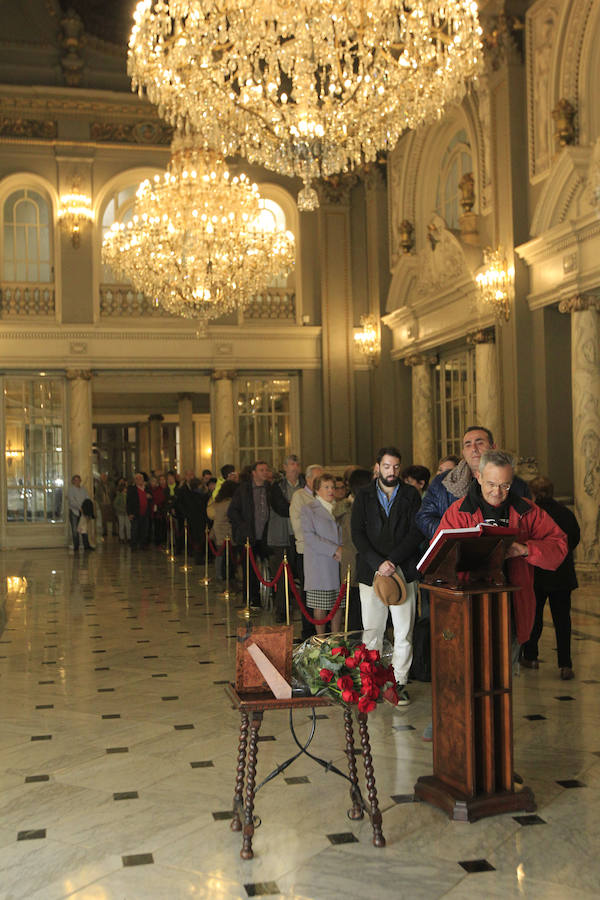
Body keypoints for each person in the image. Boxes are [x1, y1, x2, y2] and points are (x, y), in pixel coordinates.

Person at [433, 450, 568, 659]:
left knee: (505, 675)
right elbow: (438, 557)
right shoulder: (458, 512)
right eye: (491, 484)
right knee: (473, 674)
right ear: (478, 477)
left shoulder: (527, 510)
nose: (497, 492)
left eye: (505, 485)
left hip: (513, 606)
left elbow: (559, 545)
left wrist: (524, 549)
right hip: (470, 606)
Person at [351, 446, 423, 706]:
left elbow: (417, 532)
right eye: (386, 466)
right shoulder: (363, 496)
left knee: (404, 632)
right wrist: (378, 562)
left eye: (395, 467)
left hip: (403, 569)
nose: (391, 472)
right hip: (371, 571)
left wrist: (393, 561)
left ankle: (399, 683)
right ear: (377, 467)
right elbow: (357, 534)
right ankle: (371, 683)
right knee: (372, 632)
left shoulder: (411, 495)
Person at [416, 426, 531, 541]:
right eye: (468, 445)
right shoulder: (441, 482)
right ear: (463, 452)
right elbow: (424, 517)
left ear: (493, 447)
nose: (474, 449)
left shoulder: (518, 485)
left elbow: (528, 522)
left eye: (479, 443)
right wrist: (457, 536)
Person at [521, 476, 580, 680]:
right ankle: (565, 664)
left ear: (534, 493)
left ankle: (531, 657)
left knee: (534, 618)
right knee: (563, 620)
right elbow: (574, 538)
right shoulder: (565, 512)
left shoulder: (530, 514)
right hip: (562, 575)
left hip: (537, 574)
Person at [227, 460, 288, 606]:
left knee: (273, 566)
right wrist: (243, 525)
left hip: (267, 535)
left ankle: (275, 596)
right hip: (250, 536)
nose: (265, 473)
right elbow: (232, 511)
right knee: (250, 569)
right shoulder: (243, 489)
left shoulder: (271, 488)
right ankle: (251, 599)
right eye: (261, 470)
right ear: (254, 473)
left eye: (266, 470)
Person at [301, 473, 344, 635]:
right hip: (320, 563)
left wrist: (343, 550)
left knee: (338, 603)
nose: (331, 490)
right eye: (326, 487)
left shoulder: (341, 507)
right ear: (317, 490)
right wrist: (334, 549)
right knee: (321, 604)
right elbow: (310, 537)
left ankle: (335, 637)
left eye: (332, 487)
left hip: (339, 562)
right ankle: (321, 638)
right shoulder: (309, 509)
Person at [267, 454, 304, 622]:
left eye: (297, 464)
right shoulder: (277, 487)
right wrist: (297, 507)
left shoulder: (305, 485)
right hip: (281, 536)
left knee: (303, 574)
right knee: (281, 576)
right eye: (291, 464)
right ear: (285, 467)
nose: (295, 467)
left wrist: (293, 506)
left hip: (301, 537)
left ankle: (305, 609)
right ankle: (281, 609)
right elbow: (281, 507)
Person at [336, 468, 372, 632]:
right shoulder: (351, 509)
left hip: (359, 562)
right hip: (355, 563)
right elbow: (355, 539)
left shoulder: (354, 505)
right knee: (356, 610)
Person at [289, 464, 323, 638]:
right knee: (308, 592)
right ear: (308, 479)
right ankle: (308, 630)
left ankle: (324, 630)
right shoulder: (299, 497)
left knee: (323, 593)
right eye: (317, 479)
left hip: (325, 554)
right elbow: (298, 525)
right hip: (307, 551)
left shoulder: (324, 496)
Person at [207, 479, 239, 581]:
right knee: (227, 557)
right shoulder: (230, 503)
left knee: (220, 556)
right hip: (227, 533)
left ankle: (219, 575)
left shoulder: (218, 502)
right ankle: (225, 577)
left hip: (218, 532)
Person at [127, 472, 153, 549]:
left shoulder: (147, 488)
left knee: (144, 530)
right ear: (135, 480)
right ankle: (134, 545)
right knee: (135, 530)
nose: (139, 480)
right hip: (135, 513)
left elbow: (152, 498)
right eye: (137, 479)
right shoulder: (131, 489)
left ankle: (143, 544)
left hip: (145, 512)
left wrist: (150, 497)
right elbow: (128, 502)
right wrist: (129, 513)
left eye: (141, 478)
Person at [68, 474, 91, 551]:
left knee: (84, 529)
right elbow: (71, 501)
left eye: (78, 480)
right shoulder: (71, 490)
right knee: (75, 530)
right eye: (75, 480)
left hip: (83, 512)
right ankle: (76, 546)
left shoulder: (83, 489)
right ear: (73, 481)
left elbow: (87, 498)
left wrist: (86, 508)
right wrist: (79, 507)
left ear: (80, 481)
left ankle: (86, 546)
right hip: (74, 512)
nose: (77, 481)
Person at [113, 478, 130, 544]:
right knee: (121, 525)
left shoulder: (128, 496)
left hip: (127, 513)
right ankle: (121, 538)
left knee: (128, 525)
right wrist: (121, 509)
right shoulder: (119, 496)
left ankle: (129, 537)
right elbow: (115, 504)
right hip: (121, 513)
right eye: (125, 488)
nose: (126, 489)